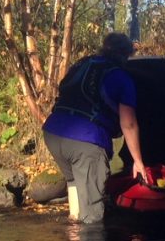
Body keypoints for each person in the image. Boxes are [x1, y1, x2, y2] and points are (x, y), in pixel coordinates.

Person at [43, 33, 147, 223]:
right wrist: (138, 161)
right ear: (126, 55)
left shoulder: (83, 64)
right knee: (91, 217)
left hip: (52, 132)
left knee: (76, 199)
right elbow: (129, 124)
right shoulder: (121, 77)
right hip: (85, 141)